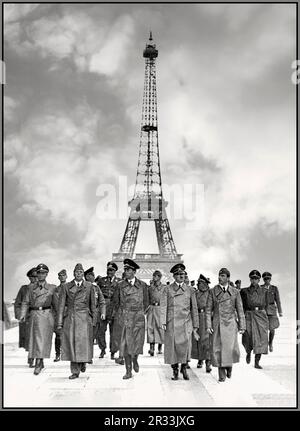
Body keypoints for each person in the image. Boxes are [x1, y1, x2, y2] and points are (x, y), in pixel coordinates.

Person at [57, 263, 105, 379]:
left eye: (81, 272)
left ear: (83, 274)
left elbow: (93, 304)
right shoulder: (66, 287)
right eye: (77, 272)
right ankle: (75, 370)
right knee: (72, 344)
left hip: (84, 319)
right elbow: (61, 306)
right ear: (74, 273)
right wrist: (59, 322)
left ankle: (83, 362)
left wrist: (94, 320)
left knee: (83, 344)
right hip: (71, 318)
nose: (79, 274)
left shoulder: (89, 286)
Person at [206, 268, 246, 382]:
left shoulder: (235, 292)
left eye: (223, 276)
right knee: (218, 348)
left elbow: (240, 310)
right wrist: (209, 325)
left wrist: (242, 326)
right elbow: (208, 310)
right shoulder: (212, 291)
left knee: (229, 348)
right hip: (217, 323)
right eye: (219, 275)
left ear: (228, 278)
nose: (220, 277)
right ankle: (221, 374)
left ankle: (229, 366)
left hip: (231, 324)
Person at [160, 263, 199, 381]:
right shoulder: (167, 289)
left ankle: (184, 367)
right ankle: (175, 369)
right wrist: (163, 321)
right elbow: (163, 306)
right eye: (179, 274)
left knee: (185, 346)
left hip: (186, 322)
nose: (182, 276)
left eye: (183, 274)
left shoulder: (190, 290)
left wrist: (196, 325)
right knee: (173, 348)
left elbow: (194, 308)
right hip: (172, 321)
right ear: (174, 276)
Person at [112, 258, 149, 379]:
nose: (125, 272)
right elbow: (115, 302)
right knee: (126, 345)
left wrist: (140, 312)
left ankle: (135, 359)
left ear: (134, 271)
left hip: (138, 316)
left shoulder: (143, 285)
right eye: (125, 269)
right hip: (126, 316)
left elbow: (146, 302)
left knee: (138, 343)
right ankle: (128, 370)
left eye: (128, 270)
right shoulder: (120, 285)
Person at [19, 264, 57, 375]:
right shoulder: (30, 288)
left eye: (43, 273)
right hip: (34, 315)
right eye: (39, 273)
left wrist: (59, 319)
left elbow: (57, 304)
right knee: (34, 340)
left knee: (43, 340)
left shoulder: (52, 288)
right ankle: (39, 359)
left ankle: (39, 362)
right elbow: (25, 302)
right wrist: (22, 314)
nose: (41, 275)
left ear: (46, 274)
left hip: (46, 316)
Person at [241, 270, 269, 369]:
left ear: (259, 279)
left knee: (261, 338)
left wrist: (267, 318)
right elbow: (241, 306)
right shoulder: (244, 291)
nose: (254, 280)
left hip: (261, 315)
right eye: (252, 278)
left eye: (256, 278)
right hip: (248, 315)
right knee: (247, 337)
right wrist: (241, 318)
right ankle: (248, 352)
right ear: (250, 279)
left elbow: (268, 305)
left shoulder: (264, 291)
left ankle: (257, 362)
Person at [14, 267, 37, 367]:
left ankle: (38, 359)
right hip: (27, 317)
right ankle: (31, 358)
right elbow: (17, 303)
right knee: (30, 339)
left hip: (39, 316)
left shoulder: (42, 288)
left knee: (39, 338)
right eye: (32, 277)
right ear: (29, 278)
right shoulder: (24, 289)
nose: (35, 279)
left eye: (36, 276)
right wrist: (20, 316)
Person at [97, 262, 121, 359]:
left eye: (111, 270)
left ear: (115, 271)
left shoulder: (120, 281)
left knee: (114, 332)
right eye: (108, 270)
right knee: (101, 330)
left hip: (114, 308)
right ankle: (102, 349)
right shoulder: (101, 281)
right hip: (103, 307)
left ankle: (113, 351)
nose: (109, 272)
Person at [191, 274, 211, 372]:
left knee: (207, 341)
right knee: (197, 341)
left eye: (200, 283)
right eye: (198, 283)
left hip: (207, 318)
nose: (198, 285)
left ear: (205, 284)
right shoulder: (195, 294)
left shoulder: (210, 293)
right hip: (197, 317)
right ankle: (200, 359)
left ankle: (208, 361)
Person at [84, 266, 105, 360]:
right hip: (86, 315)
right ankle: (87, 355)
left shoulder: (96, 288)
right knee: (87, 336)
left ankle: (97, 352)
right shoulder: (83, 287)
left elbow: (102, 301)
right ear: (87, 276)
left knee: (96, 334)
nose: (93, 276)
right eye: (91, 275)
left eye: (93, 274)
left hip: (96, 315)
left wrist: (103, 312)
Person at [261, 272, 283, 352]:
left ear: (270, 279)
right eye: (265, 279)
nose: (267, 280)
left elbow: (278, 300)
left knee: (272, 328)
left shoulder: (274, 288)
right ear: (263, 279)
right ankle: (264, 344)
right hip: (262, 310)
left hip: (272, 310)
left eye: (268, 278)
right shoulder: (260, 288)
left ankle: (270, 343)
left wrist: (280, 311)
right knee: (263, 329)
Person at [147, 270, 166, 356]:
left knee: (160, 327)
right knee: (150, 327)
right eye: (153, 276)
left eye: (155, 276)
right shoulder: (150, 288)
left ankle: (160, 346)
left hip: (160, 308)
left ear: (159, 277)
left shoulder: (164, 288)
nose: (154, 278)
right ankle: (151, 347)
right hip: (151, 308)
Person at [53, 269, 68, 362]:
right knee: (58, 335)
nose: (62, 277)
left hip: (67, 313)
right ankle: (57, 354)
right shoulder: (56, 290)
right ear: (58, 277)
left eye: (63, 275)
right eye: (60, 276)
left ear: (66, 277)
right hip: (58, 314)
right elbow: (54, 302)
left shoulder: (70, 288)